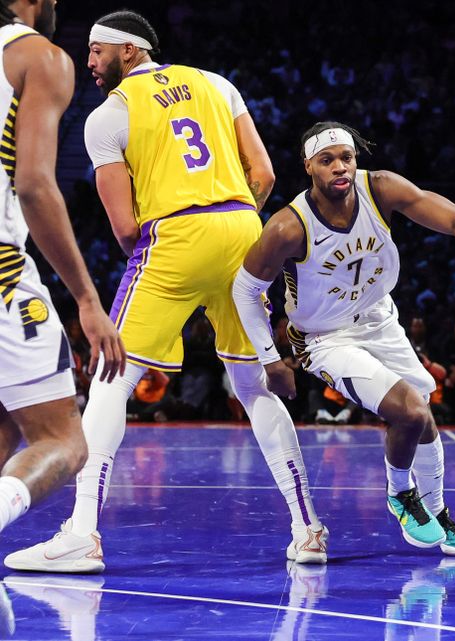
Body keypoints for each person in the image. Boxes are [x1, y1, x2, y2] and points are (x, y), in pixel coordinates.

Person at [7, 9, 325, 573]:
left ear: (129, 50)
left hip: (174, 234)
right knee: (252, 387)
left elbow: (125, 227)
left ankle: (82, 534)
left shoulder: (110, 114)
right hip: (242, 230)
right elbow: (266, 172)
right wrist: (232, 223)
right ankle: (307, 530)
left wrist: (181, 240)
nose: (89, 62)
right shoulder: (217, 84)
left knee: (111, 378)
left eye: (97, 51)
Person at [232, 121, 455, 556]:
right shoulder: (287, 228)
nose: (339, 167)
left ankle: (438, 513)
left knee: (423, 413)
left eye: (346, 158)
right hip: (324, 338)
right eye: (327, 160)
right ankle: (399, 493)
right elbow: (245, 288)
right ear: (309, 165)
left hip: (379, 319)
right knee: (408, 410)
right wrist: (271, 360)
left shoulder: (381, 189)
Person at [0, 1, 124, 539]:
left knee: (7, 423)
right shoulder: (38, 55)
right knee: (64, 442)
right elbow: (33, 184)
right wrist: (88, 301)